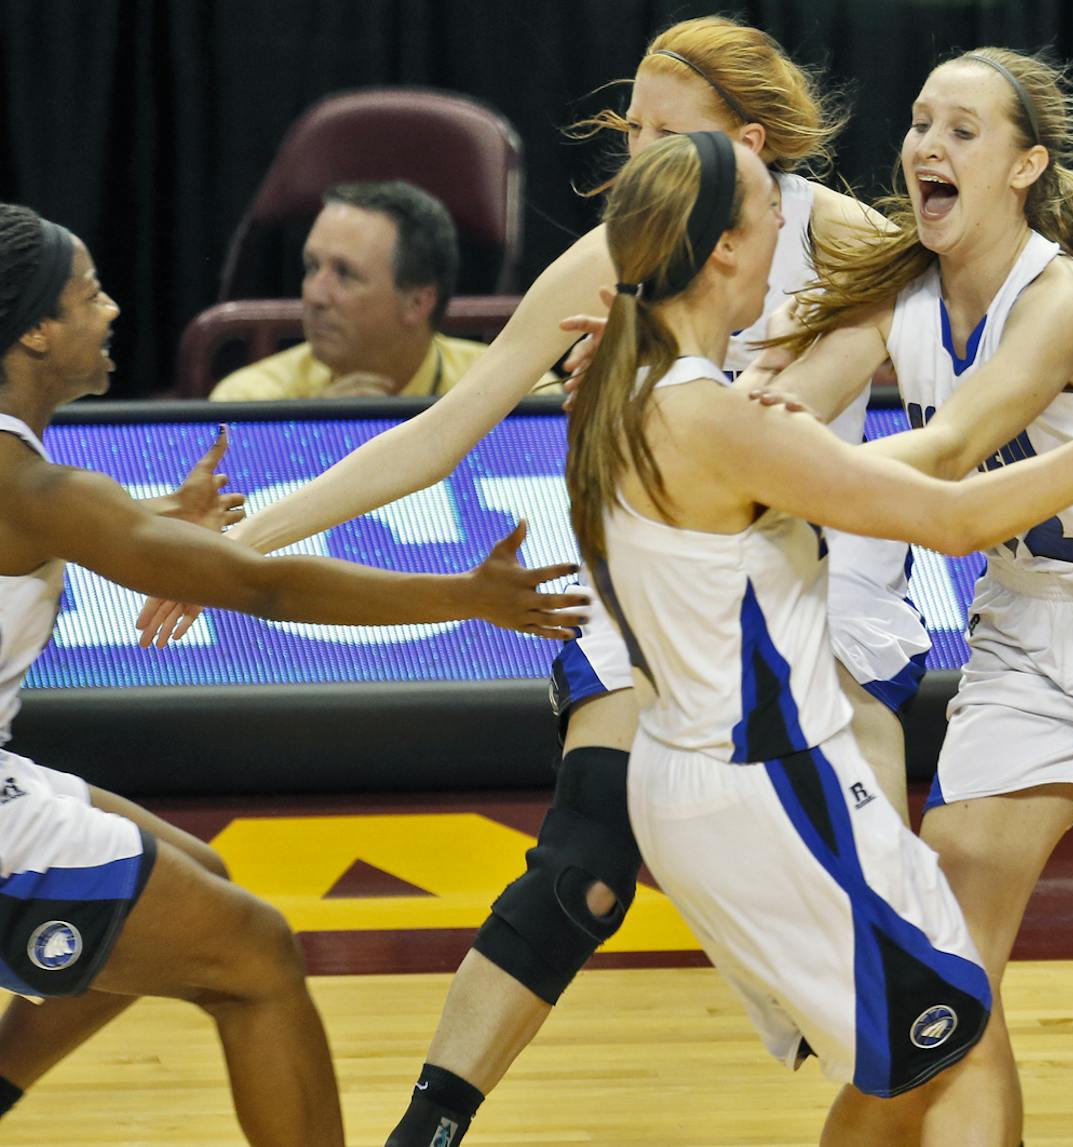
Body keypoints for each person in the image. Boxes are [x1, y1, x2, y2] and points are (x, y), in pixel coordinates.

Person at [130, 19, 913, 1146]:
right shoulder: (617, 251)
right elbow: (442, 432)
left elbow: (801, 415)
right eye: (630, 129)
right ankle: (427, 1129)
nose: (635, 153)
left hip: (819, 597)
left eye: (663, 132)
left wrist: (666, 377)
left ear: (747, 145)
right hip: (663, 584)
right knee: (587, 857)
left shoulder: (854, 245)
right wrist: (234, 551)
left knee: (889, 925)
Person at [563, 130, 1073, 1146]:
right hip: (767, 782)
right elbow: (953, 519)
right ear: (721, 248)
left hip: (693, 784)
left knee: (915, 1058)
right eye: (768, 213)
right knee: (951, 1042)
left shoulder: (639, 389)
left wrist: (781, 422)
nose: (782, 232)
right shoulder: (707, 415)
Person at [747, 48, 1073, 1147]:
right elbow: (783, 402)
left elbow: (946, 450)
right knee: (951, 965)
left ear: (1027, 164)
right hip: (1026, 636)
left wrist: (789, 460)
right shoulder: (899, 291)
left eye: (962, 130)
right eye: (920, 122)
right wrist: (688, 403)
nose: (926, 146)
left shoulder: (1066, 300)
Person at [0, 202, 584, 1146]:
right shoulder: (35, 488)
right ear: (34, 329)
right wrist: (463, 596)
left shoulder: (30, 486)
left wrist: (153, 514)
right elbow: (263, 588)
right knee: (259, 954)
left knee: (198, 875)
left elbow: (45, 539)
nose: (112, 311)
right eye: (89, 294)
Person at [210, 181, 522, 401]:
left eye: (344, 274)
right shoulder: (250, 405)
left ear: (416, 303)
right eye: (311, 267)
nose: (314, 296)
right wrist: (313, 433)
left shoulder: (514, 396)